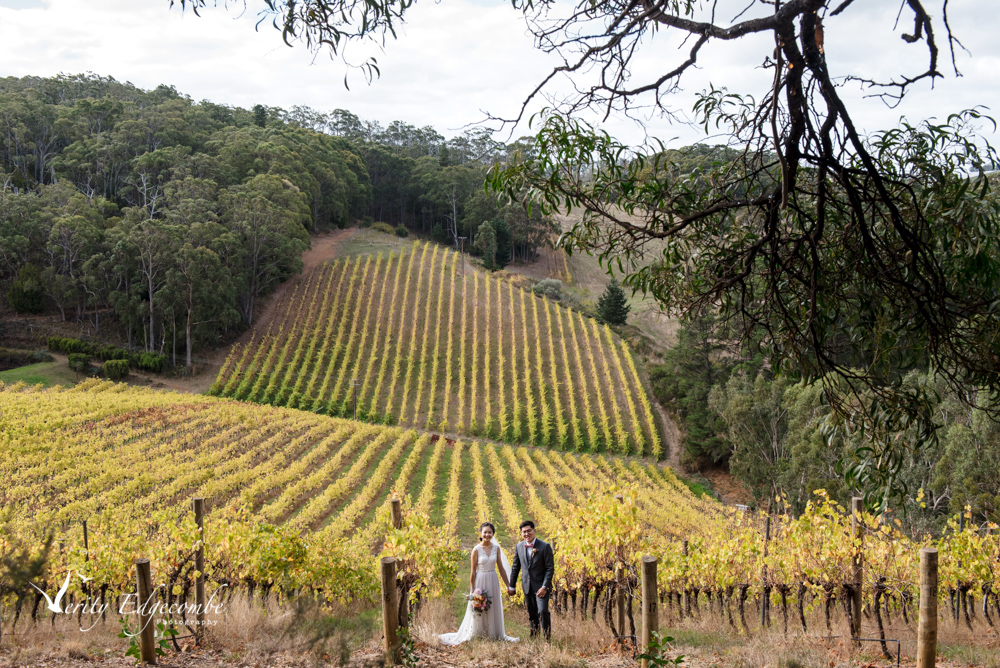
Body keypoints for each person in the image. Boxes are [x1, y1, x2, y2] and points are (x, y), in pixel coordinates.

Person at [438, 522, 518, 645]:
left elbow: (501, 568)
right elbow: (472, 572)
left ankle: (493, 633)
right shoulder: (476, 549)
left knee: (492, 605)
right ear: (481, 533)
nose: (487, 534)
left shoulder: (496, 548)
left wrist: (508, 584)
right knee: (480, 606)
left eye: (489, 532)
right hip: (480, 580)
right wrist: (472, 589)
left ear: (493, 534)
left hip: (493, 579)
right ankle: (478, 633)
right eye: (485, 532)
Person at [507, 520, 555, 640]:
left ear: (534, 530)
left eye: (529, 531)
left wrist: (545, 587)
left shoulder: (545, 546)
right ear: (521, 533)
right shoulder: (519, 546)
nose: (527, 534)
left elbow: (550, 568)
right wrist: (512, 586)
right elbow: (515, 567)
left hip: (541, 586)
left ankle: (547, 639)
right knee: (532, 613)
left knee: (543, 611)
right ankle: (534, 639)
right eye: (524, 532)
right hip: (527, 586)